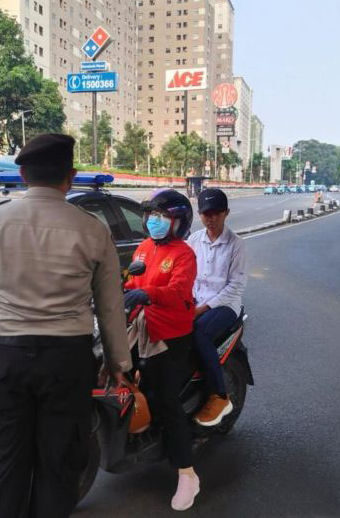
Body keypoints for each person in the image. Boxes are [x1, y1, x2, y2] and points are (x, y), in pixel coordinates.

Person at [0, 133, 132, 518]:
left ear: (21, 174)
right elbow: (111, 306)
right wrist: (119, 365)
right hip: (67, 364)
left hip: (6, 359)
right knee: (59, 467)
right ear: (70, 176)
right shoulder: (93, 229)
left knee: (5, 464)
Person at [123, 188, 200, 511]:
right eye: (151, 215)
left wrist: (148, 294)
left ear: (178, 222)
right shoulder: (142, 248)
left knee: (166, 400)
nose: (153, 221)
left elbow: (179, 290)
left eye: (161, 216)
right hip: (141, 327)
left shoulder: (184, 254)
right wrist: (123, 286)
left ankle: (187, 472)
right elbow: (131, 281)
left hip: (170, 334)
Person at [186, 188, 246, 427]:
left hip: (225, 304)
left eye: (216, 213)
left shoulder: (236, 244)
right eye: (205, 213)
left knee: (199, 334)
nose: (210, 218)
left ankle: (219, 395)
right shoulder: (193, 240)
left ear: (226, 213)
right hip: (196, 301)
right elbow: (186, 276)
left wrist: (202, 309)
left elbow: (236, 286)